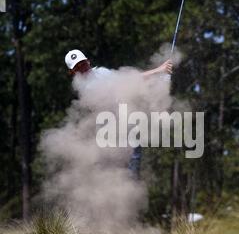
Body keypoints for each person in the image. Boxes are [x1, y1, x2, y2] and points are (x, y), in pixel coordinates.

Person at [65, 49, 173, 178]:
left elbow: (130, 80)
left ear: (88, 61)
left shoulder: (101, 72)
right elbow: (128, 83)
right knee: (122, 164)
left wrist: (159, 72)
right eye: (77, 67)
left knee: (132, 159)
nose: (82, 67)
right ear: (73, 72)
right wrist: (159, 70)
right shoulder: (84, 86)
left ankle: (128, 190)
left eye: (82, 63)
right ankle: (123, 190)